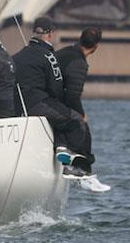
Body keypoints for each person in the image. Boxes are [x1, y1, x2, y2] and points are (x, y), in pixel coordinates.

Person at [12, 17, 93, 176]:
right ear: (49, 34)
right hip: (37, 102)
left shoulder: (16, 56)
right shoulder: (49, 56)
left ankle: (61, 148)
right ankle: (74, 166)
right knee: (75, 120)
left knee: (60, 116)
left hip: (17, 105)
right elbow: (56, 87)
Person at [56, 27, 102, 121]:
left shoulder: (65, 51)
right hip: (52, 101)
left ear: (80, 39)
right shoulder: (79, 63)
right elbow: (72, 96)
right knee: (82, 127)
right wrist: (82, 115)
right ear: (96, 46)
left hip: (43, 96)